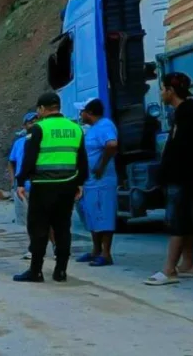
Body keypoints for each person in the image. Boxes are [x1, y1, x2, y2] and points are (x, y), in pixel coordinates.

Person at [14, 92, 88, 283]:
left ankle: (36, 271)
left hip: (43, 186)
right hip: (68, 185)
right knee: (63, 228)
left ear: (41, 109)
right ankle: (61, 271)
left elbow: (29, 159)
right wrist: (80, 182)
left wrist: (21, 182)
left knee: (39, 229)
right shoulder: (75, 128)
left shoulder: (38, 129)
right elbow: (82, 159)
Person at [145, 73, 193, 286]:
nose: (160, 93)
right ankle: (188, 265)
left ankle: (169, 269)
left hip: (183, 176)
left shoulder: (190, 113)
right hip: (181, 176)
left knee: (177, 222)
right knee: (184, 221)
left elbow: (184, 150)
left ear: (171, 90)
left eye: (162, 88)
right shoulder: (184, 112)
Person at [73, 98, 119, 267]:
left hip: (102, 181)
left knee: (104, 215)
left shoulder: (105, 125)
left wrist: (101, 166)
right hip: (90, 182)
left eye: (82, 111)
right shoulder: (92, 129)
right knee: (92, 215)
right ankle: (95, 250)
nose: (80, 114)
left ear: (90, 113)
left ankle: (106, 253)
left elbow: (112, 145)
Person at [9, 111, 55, 260]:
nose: (34, 124)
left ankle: (55, 246)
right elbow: (12, 162)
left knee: (48, 220)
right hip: (23, 188)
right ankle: (33, 247)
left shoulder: (46, 139)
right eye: (30, 122)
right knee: (30, 221)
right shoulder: (19, 143)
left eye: (36, 121)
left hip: (41, 185)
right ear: (24, 125)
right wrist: (14, 182)